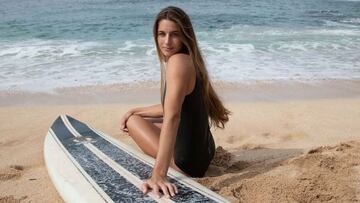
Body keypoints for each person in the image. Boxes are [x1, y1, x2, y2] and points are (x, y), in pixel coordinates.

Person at [119, 6, 230, 198]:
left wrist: (158, 175)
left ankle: (170, 167)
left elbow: (173, 116)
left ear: (185, 36)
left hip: (188, 164)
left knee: (134, 122)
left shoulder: (177, 62)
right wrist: (136, 109)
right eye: (162, 34)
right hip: (205, 151)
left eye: (174, 35)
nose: (167, 41)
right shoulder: (190, 60)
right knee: (139, 117)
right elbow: (173, 107)